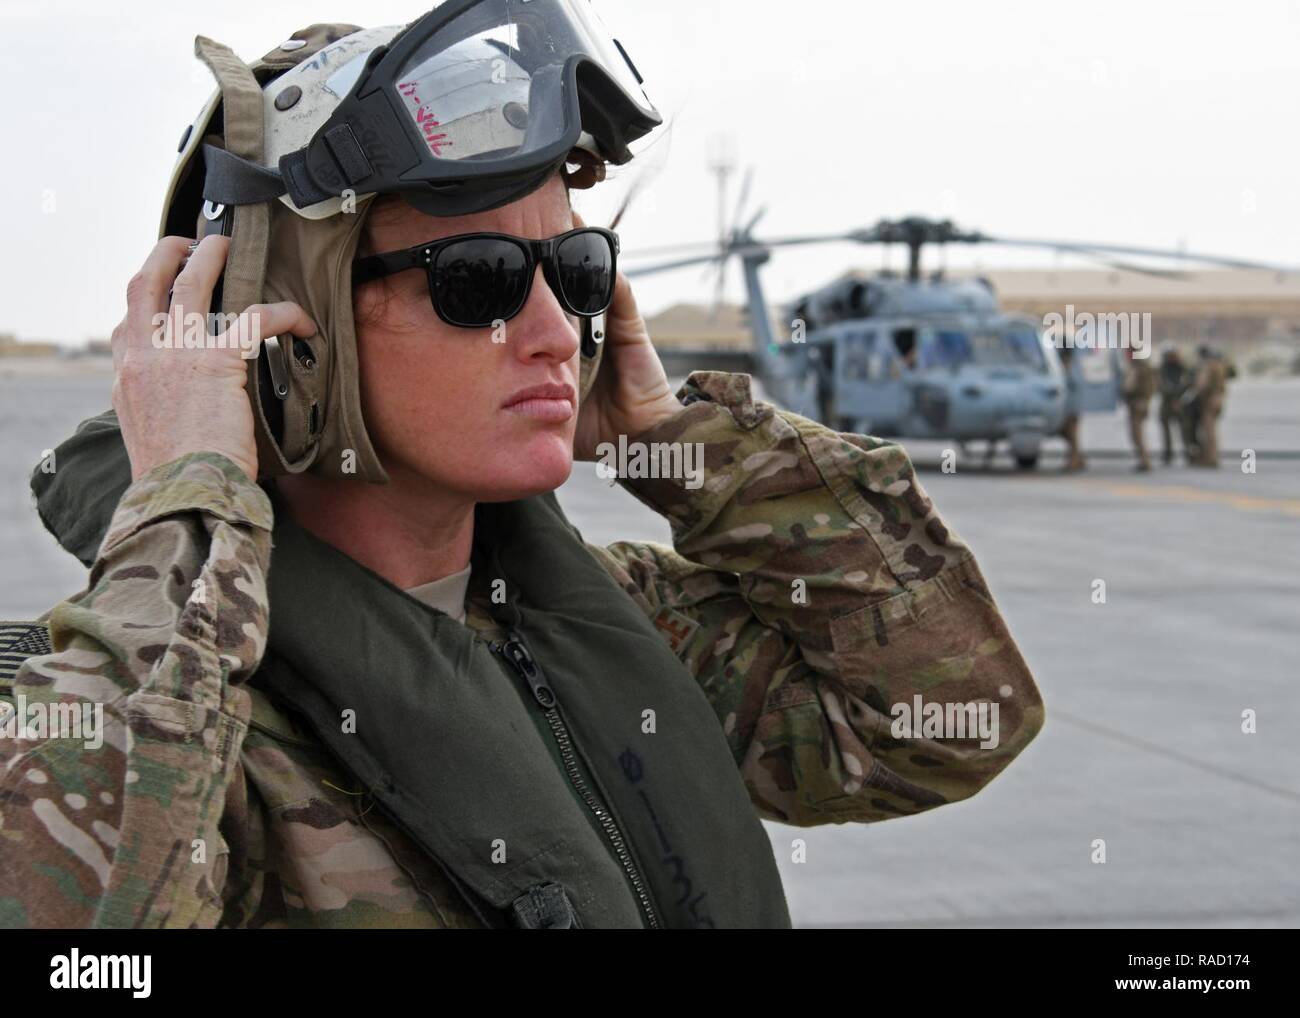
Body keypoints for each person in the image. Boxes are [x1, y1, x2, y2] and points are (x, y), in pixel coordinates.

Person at [0, 6, 1043, 929]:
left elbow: (948, 726)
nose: (555, 331)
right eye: (479, 279)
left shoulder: (627, 619)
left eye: (576, 269)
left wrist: (682, 446)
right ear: (278, 322)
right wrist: (190, 497)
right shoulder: (171, 712)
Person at [1191, 345, 1230, 467]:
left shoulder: (1210, 366)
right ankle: (1210, 457)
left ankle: (1211, 458)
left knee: (1209, 431)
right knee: (1211, 431)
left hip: (1210, 401)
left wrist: (1196, 392)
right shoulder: (1219, 365)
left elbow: (1203, 385)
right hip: (1216, 400)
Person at [1156, 344, 1194, 465]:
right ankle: (1168, 453)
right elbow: (1159, 385)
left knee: (1184, 430)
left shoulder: (1183, 368)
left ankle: (1188, 453)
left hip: (1180, 402)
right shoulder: (1162, 369)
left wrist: (1179, 398)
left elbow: (1190, 384)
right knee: (1166, 430)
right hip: (1166, 402)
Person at [1121, 348, 1157, 471]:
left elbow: (1130, 387)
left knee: (1138, 434)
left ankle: (1144, 461)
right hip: (1140, 403)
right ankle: (1143, 460)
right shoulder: (1143, 366)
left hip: (1138, 403)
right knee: (1138, 434)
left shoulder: (1138, 367)